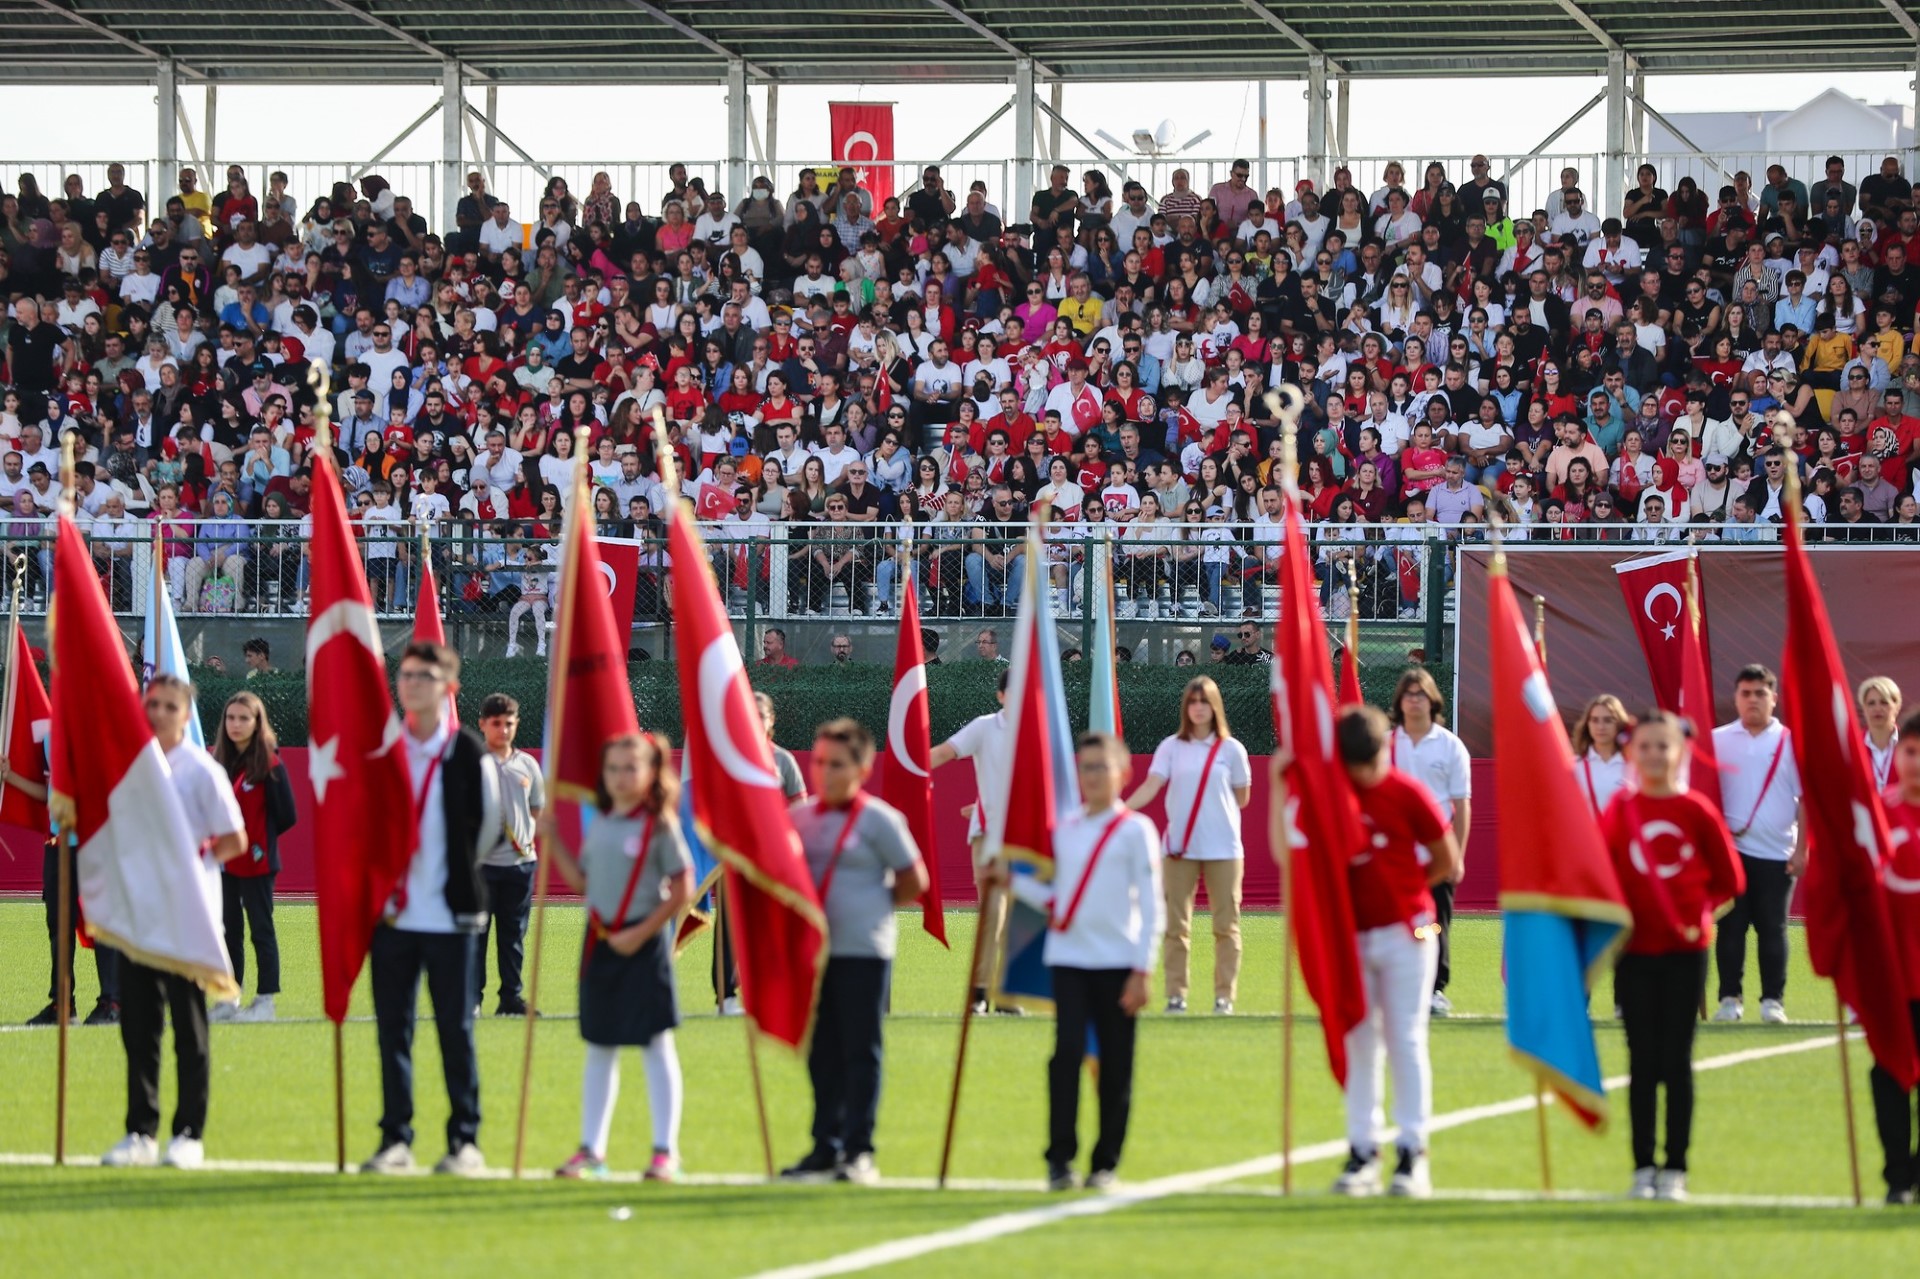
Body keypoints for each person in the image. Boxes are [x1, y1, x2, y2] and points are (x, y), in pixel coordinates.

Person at [1273, 704, 1458, 1199]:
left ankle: (1413, 1153)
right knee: (1358, 1040)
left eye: (1368, 764)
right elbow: (1284, 852)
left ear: (1383, 751)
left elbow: (1448, 861)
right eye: (1351, 767)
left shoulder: (1406, 791)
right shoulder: (1330, 797)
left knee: (1407, 1039)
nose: (1361, 776)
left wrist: (1408, 891)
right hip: (1350, 936)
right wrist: (1278, 785)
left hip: (1411, 932)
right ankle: (1362, 1152)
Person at [996, 731, 1162, 1192]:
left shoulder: (1136, 831)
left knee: (1114, 1064)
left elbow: (1152, 905)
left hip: (1118, 962)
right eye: (1085, 768)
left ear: (1123, 774)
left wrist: (1142, 969)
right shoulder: (1064, 829)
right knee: (1066, 1055)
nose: (1092, 777)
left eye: (1101, 767)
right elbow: (1057, 898)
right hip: (1068, 959)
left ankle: (1105, 1161)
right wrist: (1010, 879)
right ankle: (1059, 1158)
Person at [362, 643, 500, 1176]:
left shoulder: (467, 752)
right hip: (394, 917)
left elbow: (487, 828)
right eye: (407, 674)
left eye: (426, 675)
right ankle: (395, 1137)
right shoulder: (386, 750)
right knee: (393, 1031)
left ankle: (464, 1140)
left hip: (451, 917)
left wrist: (457, 876)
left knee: (454, 1031)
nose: (414, 682)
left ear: (449, 687)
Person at [102, 674, 247, 1170]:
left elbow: (234, 839)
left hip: (187, 913)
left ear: (186, 715)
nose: (159, 712)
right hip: (141, 914)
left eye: (169, 705)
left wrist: (196, 855)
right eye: (153, 704)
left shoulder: (203, 771)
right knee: (139, 1028)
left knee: (189, 1028)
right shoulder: (133, 767)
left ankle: (189, 1132)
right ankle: (139, 1131)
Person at [1602, 710, 1743, 1203]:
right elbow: (1602, 877)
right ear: (1631, 753)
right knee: (1641, 1061)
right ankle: (1643, 1167)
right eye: (1645, 746)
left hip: (1686, 953)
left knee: (1676, 1060)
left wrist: (1700, 915)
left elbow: (1730, 882)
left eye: (1663, 746)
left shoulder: (1697, 810)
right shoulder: (1619, 810)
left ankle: (1675, 1167)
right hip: (1634, 953)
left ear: (1679, 752)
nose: (1655, 755)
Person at [780, 719, 928, 1185]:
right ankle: (825, 1146)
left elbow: (914, 880)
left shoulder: (880, 820)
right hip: (813, 955)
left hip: (864, 951)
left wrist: (871, 909)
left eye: (838, 764)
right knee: (821, 1052)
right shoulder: (799, 819)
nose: (826, 772)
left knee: (861, 1051)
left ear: (863, 768)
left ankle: (859, 1151)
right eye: (820, 762)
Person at [543, 733, 695, 1181]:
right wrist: (553, 844)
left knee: (655, 1043)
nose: (621, 777)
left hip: (644, 947)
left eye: (632, 768)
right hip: (601, 944)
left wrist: (643, 933)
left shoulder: (659, 824)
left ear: (651, 773)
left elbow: (683, 888)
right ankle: (592, 1150)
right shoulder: (603, 823)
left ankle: (666, 1152)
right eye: (613, 769)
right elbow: (585, 885)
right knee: (600, 1044)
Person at [1124, 676, 1252, 1015]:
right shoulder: (1171, 747)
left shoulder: (1231, 749)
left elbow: (1242, 797)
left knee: (1227, 926)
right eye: (1193, 702)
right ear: (1186, 707)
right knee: (1175, 927)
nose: (1198, 708)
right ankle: (1176, 995)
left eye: (1204, 701)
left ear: (1215, 707)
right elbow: (1152, 785)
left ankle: (1224, 997)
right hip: (1179, 848)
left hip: (1224, 849)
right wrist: (1120, 812)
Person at [1710, 663, 1802, 1025]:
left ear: (1773, 699)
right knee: (1730, 928)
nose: (1752, 700)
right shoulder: (1717, 740)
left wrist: (1802, 848)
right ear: (1735, 697)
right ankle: (1729, 999)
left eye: (1760, 693)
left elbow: (1805, 797)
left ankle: (1772, 1001)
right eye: (1745, 693)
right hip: (1730, 853)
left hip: (1777, 852)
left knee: (1773, 928)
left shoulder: (1790, 742)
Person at [927, 670, 1015, 1015]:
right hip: (989, 835)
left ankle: (1008, 994)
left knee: (1019, 918)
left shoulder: (1042, 731)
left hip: (1026, 838)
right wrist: (909, 768)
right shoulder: (985, 726)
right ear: (1001, 696)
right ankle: (980, 993)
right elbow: (945, 752)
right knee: (992, 914)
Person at [208, 692, 296, 1024]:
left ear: (257, 723)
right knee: (228, 931)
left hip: (258, 864)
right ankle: (229, 999)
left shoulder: (269, 764)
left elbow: (287, 814)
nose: (236, 724)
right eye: (231, 718)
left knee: (261, 929)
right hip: (225, 863)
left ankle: (265, 1001)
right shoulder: (219, 763)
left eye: (244, 718)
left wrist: (260, 843)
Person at [1388, 668, 1471, 1016]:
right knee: (1393, 923)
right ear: (1400, 702)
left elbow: (1462, 804)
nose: (1414, 700)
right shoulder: (1387, 743)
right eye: (1408, 694)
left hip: (1437, 853)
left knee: (1436, 922)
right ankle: (1396, 988)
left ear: (1432, 700)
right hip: (1395, 854)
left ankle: (1435, 989)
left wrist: (1457, 856)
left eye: (1420, 694)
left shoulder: (1450, 745)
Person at [1873, 711, 1920, 1203]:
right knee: (1888, 1072)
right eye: (1910, 752)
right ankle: (1896, 1176)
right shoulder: (1876, 817)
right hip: (1889, 975)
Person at [474, 694, 544, 1017]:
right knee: (476, 935)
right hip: (481, 866)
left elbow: (537, 809)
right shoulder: (474, 763)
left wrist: (526, 837)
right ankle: (472, 998)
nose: (503, 730)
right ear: (483, 725)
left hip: (519, 865)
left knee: (513, 936)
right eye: (496, 724)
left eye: (509, 724)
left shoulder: (527, 764)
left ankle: (511, 998)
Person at [1571, 694, 1633, 816]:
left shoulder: (1635, 766)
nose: (1600, 727)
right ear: (1587, 724)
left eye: (1608, 720)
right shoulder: (1573, 766)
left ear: (1619, 724)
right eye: (1594, 720)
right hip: (1587, 834)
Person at [1860, 677, 1903, 793]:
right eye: (1871, 703)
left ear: (1897, 707)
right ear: (1864, 708)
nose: (1877, 709)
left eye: (1884, 702)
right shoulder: (1852, 746)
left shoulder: (1911, 745)